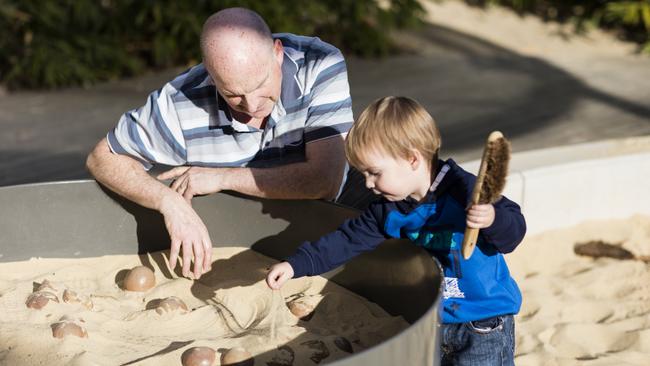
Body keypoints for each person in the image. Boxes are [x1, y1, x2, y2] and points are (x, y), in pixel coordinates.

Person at [86, 7, 366, 280]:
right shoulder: (179, 101)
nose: (252, 105)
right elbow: (102, 158)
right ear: (210, 75)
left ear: (278, 53)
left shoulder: (318, 64)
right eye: (233, 95)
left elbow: (324, 179)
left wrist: (222, 177)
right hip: (238, 234)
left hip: (328, 224)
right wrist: (169, 202)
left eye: (260, 85)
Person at [266, 96, 526, 365]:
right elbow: (346, 240)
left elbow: (513, 233)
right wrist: (296, 265)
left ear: (412, 159)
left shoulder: (466, 191)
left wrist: (492, 218)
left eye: (374, 172)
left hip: (482, 322)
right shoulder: (388, 209)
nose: (367, 183)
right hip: (429, 321)